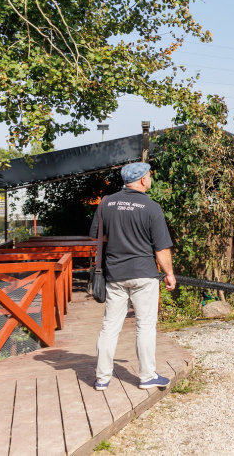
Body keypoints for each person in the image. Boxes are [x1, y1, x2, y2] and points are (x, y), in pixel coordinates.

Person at [90, 161, 176, 391]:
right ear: (142, 180)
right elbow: (161, 248)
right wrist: (169, 273)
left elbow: (99, 237)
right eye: (149, 175)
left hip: (115, 274)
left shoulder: (106, 203)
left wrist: (120, 239)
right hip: (143, 273)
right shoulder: (151, 207)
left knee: (109, 326)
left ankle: (102, 378)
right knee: (145, 325)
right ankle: (147, 376)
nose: (150, 178)